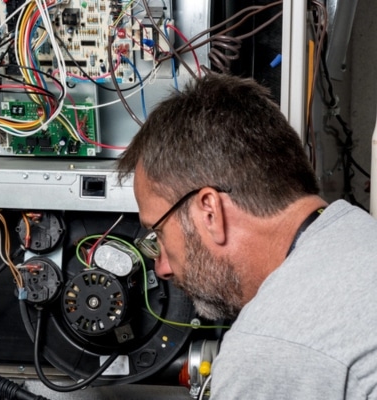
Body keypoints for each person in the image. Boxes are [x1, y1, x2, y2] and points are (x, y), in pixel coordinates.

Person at [116, 73, 377, 399]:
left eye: (159, 232)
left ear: (209, 211)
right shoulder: (359, 232)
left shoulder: (270, 349)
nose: (162, 267)